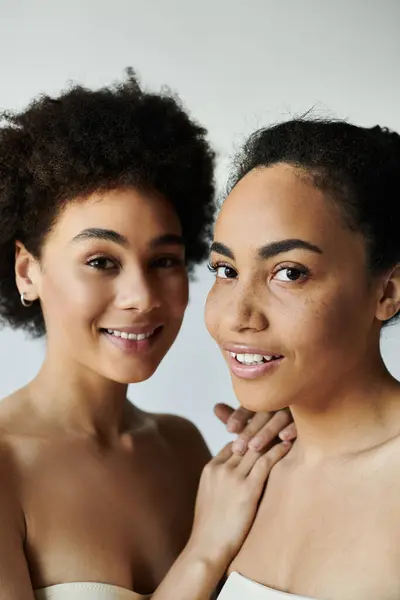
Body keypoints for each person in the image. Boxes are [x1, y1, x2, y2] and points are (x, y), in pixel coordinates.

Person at [0, 72, 295, 600]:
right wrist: (205, 549)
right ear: (27, 270)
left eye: (164, 260)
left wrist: (291, 442)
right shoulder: (5, 464)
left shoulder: (184, 448)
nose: (141, 296)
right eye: (100, 261)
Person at [205, 118, 400, 599]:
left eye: (289, 272)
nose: (238, 315)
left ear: (388, 291)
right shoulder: (239, 482)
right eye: (226, 270)